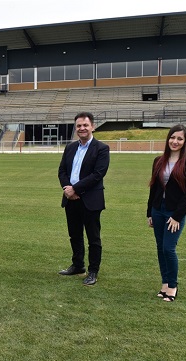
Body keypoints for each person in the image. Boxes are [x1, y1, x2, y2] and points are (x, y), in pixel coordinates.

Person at [147, 125, 186, 302]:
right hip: (157, 210)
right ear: (168, 138)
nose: (175, 141)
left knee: (169, 248)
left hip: (174, 213)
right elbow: (153, 188)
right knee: (160, 249)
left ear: (185, 142)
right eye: (172, 137)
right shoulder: (158, 161)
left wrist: (177, 216)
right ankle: (164, 284)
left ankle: (173, 286)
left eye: (179, 139)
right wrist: (149, 213)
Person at [58, 112, 110, 285]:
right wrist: (67, 189)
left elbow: (98, 174)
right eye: (79, 125)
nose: (82, 128)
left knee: (93, 237)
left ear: (92, 126)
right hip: (71, 199)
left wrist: (75, 188)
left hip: (90, 200)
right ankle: (78, 265)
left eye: (85, 125)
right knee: (75, 235)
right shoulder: (70, 147)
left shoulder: (101, 148)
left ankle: (93, 271)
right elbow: (62, 171)